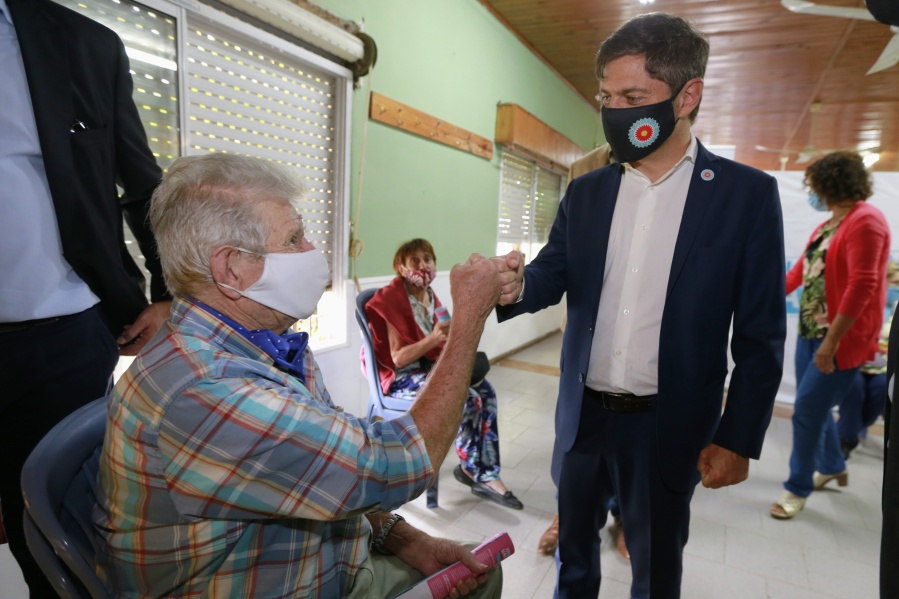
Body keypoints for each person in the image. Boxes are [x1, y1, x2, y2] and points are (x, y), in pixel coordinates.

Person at [93, 153, 509, 598]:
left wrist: (402, 537)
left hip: (332, 560)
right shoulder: (208, 391)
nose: (313, 250)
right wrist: (469, 318)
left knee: (479, 571)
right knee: (481, 582)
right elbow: (400, 465)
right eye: (294, 238)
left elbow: (326, 472)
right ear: (231, 267)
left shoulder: (265, 343)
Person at [496, 12, 786, 598]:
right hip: (583, 417)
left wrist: (737, 437)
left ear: (687, 96)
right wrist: (514, 286)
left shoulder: (745, 196)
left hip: (668, 425)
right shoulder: (587, 191)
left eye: (633, 97)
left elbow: (761, 335)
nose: (616, 112)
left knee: (655, 569)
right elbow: (554, 271)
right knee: (573, 561)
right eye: (607, 97)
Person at [0, 0, 170, 594]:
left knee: (56, 534)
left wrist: (167, 291)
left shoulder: (86, 46)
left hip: (62, 338)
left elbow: (142, 181)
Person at [771, 150, 890, 519]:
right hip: (812, 333)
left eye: (814, 186)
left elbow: (862, 285)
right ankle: (834, 465)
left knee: (806, 411)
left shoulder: (866, 221)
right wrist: (759, 299)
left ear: (830, 184)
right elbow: (801, 272)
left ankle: (797, 488)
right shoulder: (831, 224)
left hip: (838, 339)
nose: (812, 192)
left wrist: (832, 341)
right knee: (815, 407)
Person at [365, 239, 523, 510]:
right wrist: (435, 338)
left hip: (425, 368)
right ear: (400, 267)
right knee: (468, 399)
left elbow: (443, 339)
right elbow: (398, 358)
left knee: (486, 392)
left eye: (427, 259)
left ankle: (486, 470)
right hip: (400, 377)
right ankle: (473, 469)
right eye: (415, 261)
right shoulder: (390, 299)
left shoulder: (429, 296)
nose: (423, 266)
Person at [537, 144, 630, 561]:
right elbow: (561, 256)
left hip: (645, 346)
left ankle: (626, 517)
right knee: (573, 436)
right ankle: (567, 513)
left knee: (632, 447)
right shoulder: (585, 170)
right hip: (587, 338)